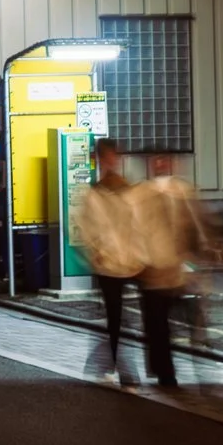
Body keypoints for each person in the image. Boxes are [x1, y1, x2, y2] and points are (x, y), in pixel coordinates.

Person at [130, 165, 215, 390]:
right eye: (157, 159)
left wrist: (203, 253)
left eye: (166, 158)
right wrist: (141, 262)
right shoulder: (140, 194)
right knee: (159, 327)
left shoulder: (183, 190)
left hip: (181, 270)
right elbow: (134, 231)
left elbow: (198, 225)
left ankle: (200, 368)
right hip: (154, 271)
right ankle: (165, 374)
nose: (162, 163)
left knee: (192, 320)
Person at [71, 140, 145, 386]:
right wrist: (97, 252)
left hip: (126, 262)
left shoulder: (122, 191)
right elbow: (87, 229)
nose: (110, 161)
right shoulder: (98, 194)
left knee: (118, 318)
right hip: (110, 264)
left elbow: (137, 225)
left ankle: (108, 365)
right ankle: (124, 371)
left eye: (112, 157)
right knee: (117, 318)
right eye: (106, 157)